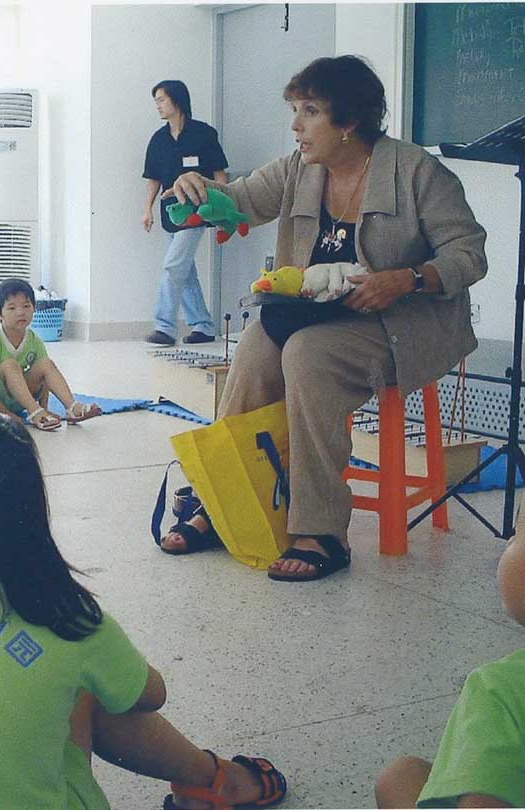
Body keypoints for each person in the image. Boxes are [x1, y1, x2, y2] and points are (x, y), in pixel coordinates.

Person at [0, 403, 287, 810]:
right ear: (26, 509)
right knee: (86, 688)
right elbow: (150, 694)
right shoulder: (62, 614)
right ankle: (212, 780)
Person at [161, 55, 487, 581]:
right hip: (319, 317)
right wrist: (196, 188)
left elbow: (470, 254)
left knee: (308, 355)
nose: (296, 125)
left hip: (403, 323)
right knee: (253, 348)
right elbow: (239, 199)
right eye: (295, 110)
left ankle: (322, 531)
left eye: (310, 111)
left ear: (349, 121)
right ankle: (223, 500)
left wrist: (405, 278)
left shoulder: (418, 171)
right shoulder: (298, 168)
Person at [376, 535, 525, 808]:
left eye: (518, 536)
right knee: (405, 773)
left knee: (399, 779)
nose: (510, 541)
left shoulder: (501, 688)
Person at [142, 79, 229, 346]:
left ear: (177, 101)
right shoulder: (158, 140)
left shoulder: (204, 134)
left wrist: (223, 206)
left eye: (161, 100)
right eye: (156, 101)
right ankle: (202, 325)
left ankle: (165, 327)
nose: (158, 105)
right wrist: (147, 210)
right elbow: (154, 179)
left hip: (197, 211)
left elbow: (219, 173)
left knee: (173, 266)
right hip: (171, 214)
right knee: (185, 271)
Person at [0, 278, 101, 431]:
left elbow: (45, 378)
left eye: (26, 306)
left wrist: (44, 408)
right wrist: (4, 413)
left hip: (21, 398)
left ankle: (71, 406)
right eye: (12, 308)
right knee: (9, 365)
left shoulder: (34, 340)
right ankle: (34, 412)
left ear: (34, 308)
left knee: (46, 363)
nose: (21, 312)